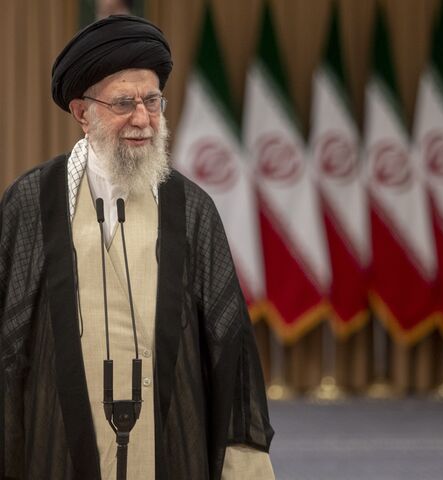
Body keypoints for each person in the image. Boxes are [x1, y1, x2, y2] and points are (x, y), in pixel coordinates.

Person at [0, 15, 274, 480]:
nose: (143, 119)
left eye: (152, 101)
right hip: (57, 445)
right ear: (82, 113)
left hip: (169, 443)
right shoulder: (31, 202)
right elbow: (8, 336)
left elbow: (231, 345)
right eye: (124, 103)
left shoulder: (190, 208)